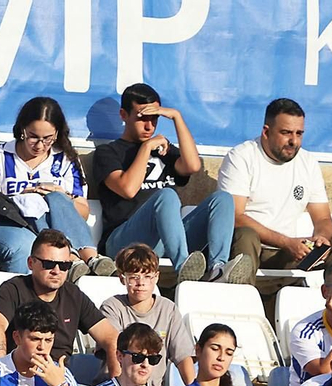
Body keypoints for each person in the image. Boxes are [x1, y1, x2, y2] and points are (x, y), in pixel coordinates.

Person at [96, 82, 245, 285]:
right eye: (142, 118)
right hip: (124, 243)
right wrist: (147, 147)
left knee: (223, 199)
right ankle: (183, 265)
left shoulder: (163, 149)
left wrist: (176, 116)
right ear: (123, 115)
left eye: (154, 118)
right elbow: (128, 189)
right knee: (166, 195)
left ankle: (218, 269)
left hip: (166, 242)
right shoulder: (108, 152)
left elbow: (192, 166)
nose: (149, 126)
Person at [216, 97, 332, 271]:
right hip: (251, 248)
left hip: (288, 252)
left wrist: (321, 238)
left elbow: (323, 218)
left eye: (299, 133)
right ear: (266, 132)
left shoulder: (308, 162)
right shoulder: (241, 157)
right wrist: (287, 242)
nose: (294, 141)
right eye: (286, 133)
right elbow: (235, 217)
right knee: (246, 235)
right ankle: (242, 294)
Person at [0, 97, 111, 274]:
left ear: (57, 134)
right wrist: (24, 194)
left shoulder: (67, 159)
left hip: (56, 224)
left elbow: (83, 212)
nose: (39, 145)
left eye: (47, 139)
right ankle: (74, 257)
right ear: (22, 130)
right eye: (33, 137)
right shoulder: (0, 156)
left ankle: (89, 258)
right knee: (31, 201)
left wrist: (63, 195)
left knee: (55, 196)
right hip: (15, 222)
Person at [0, 230, 118, 369]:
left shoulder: (74, 295)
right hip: (18, 375)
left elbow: (111, 338)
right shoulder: (13, 289)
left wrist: (117, 384)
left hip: (60, 379)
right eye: (48, 264)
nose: (56, 271)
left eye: (64, 266)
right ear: (30, 263)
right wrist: (3, 373)